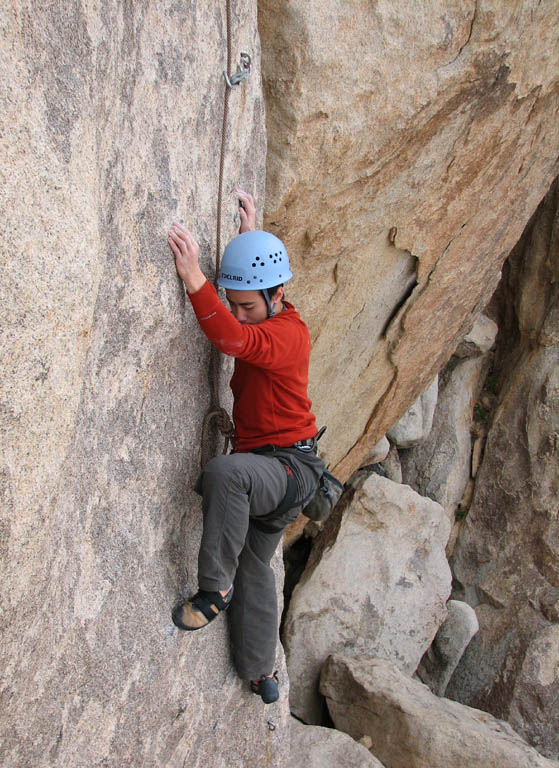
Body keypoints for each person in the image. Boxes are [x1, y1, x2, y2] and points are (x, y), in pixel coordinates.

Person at [167, 190, 324, 704]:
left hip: (287, 469)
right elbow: (248, 292)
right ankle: (260, 672)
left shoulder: (288, 334)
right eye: (231, 302)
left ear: (278, 296)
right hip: (274, 475)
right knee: (256, 565)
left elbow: (235, 340)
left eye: (247, 305)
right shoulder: (266, 302)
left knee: (224, 474)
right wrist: (248, 235)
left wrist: (194, 278)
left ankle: (214, 590)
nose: (239, 312)